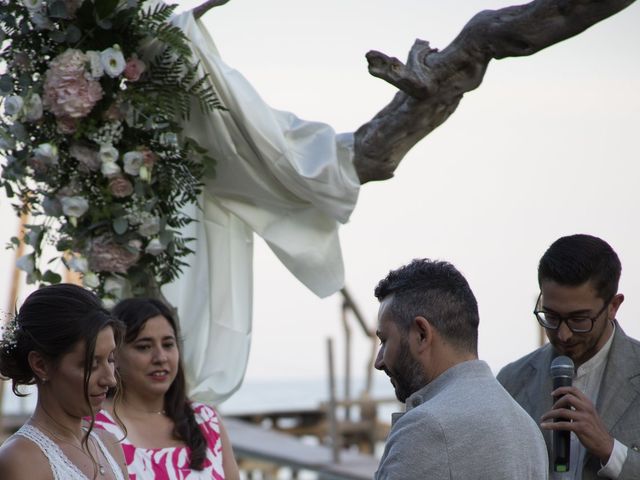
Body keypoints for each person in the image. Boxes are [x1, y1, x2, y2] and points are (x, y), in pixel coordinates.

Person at [373, 259, 548, 479]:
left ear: (421, 334)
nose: (378, 361)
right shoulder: (527, 428)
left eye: (384, 340)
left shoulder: (425, 427)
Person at [497, 234, 640, 479]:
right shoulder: (511, 381)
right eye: (551, 317)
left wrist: (609, 448)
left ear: (614, 306)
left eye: (579, 319)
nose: (563, 334)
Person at [93, 298, 240, 479]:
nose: (160, 357)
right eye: (144, 347)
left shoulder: (206, 420)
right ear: (114, 355)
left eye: (168, 344)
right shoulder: (94, 426)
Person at [0, 283, 127, 480]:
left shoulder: (108, 444)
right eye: (91, 365)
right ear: (41, 365)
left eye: (110, 359)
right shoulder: (21, 459)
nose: (110, 380)